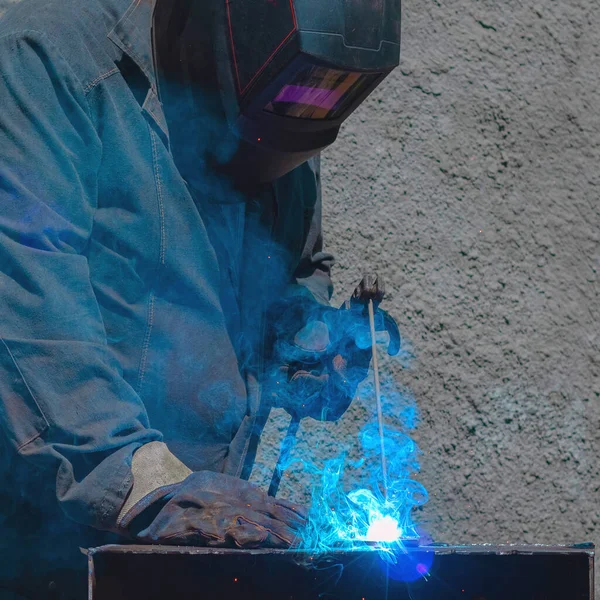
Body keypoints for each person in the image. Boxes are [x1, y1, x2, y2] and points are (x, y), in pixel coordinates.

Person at [0, 0, 401, 597]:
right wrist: (145, 480)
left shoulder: (286, 109)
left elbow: (291, 272)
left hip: (190, 544)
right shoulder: (48, 60)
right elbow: (27, 298)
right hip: (41, 548)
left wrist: (306, 344)